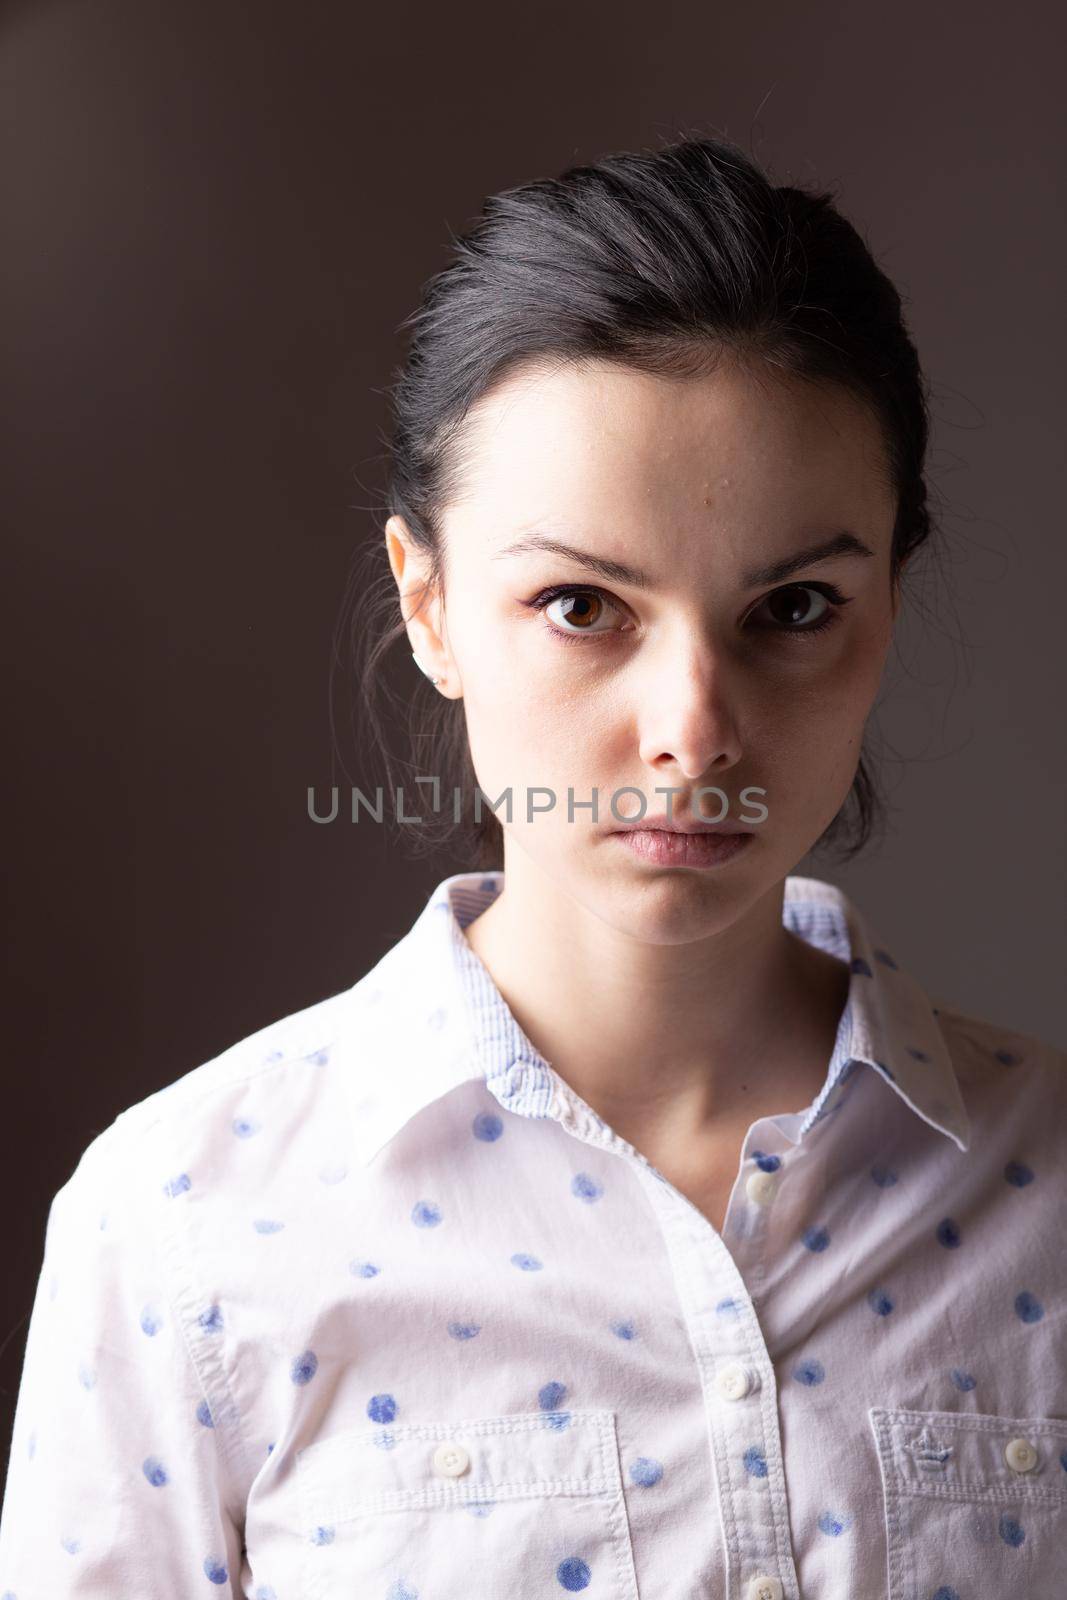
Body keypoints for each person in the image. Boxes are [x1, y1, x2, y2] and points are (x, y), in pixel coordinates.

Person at [1, 134, 1064, 1600]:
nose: (693, 730)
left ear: (888, 602)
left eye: (798, 605)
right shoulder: (177, 1228)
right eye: (582, 604)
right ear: (429, 605)